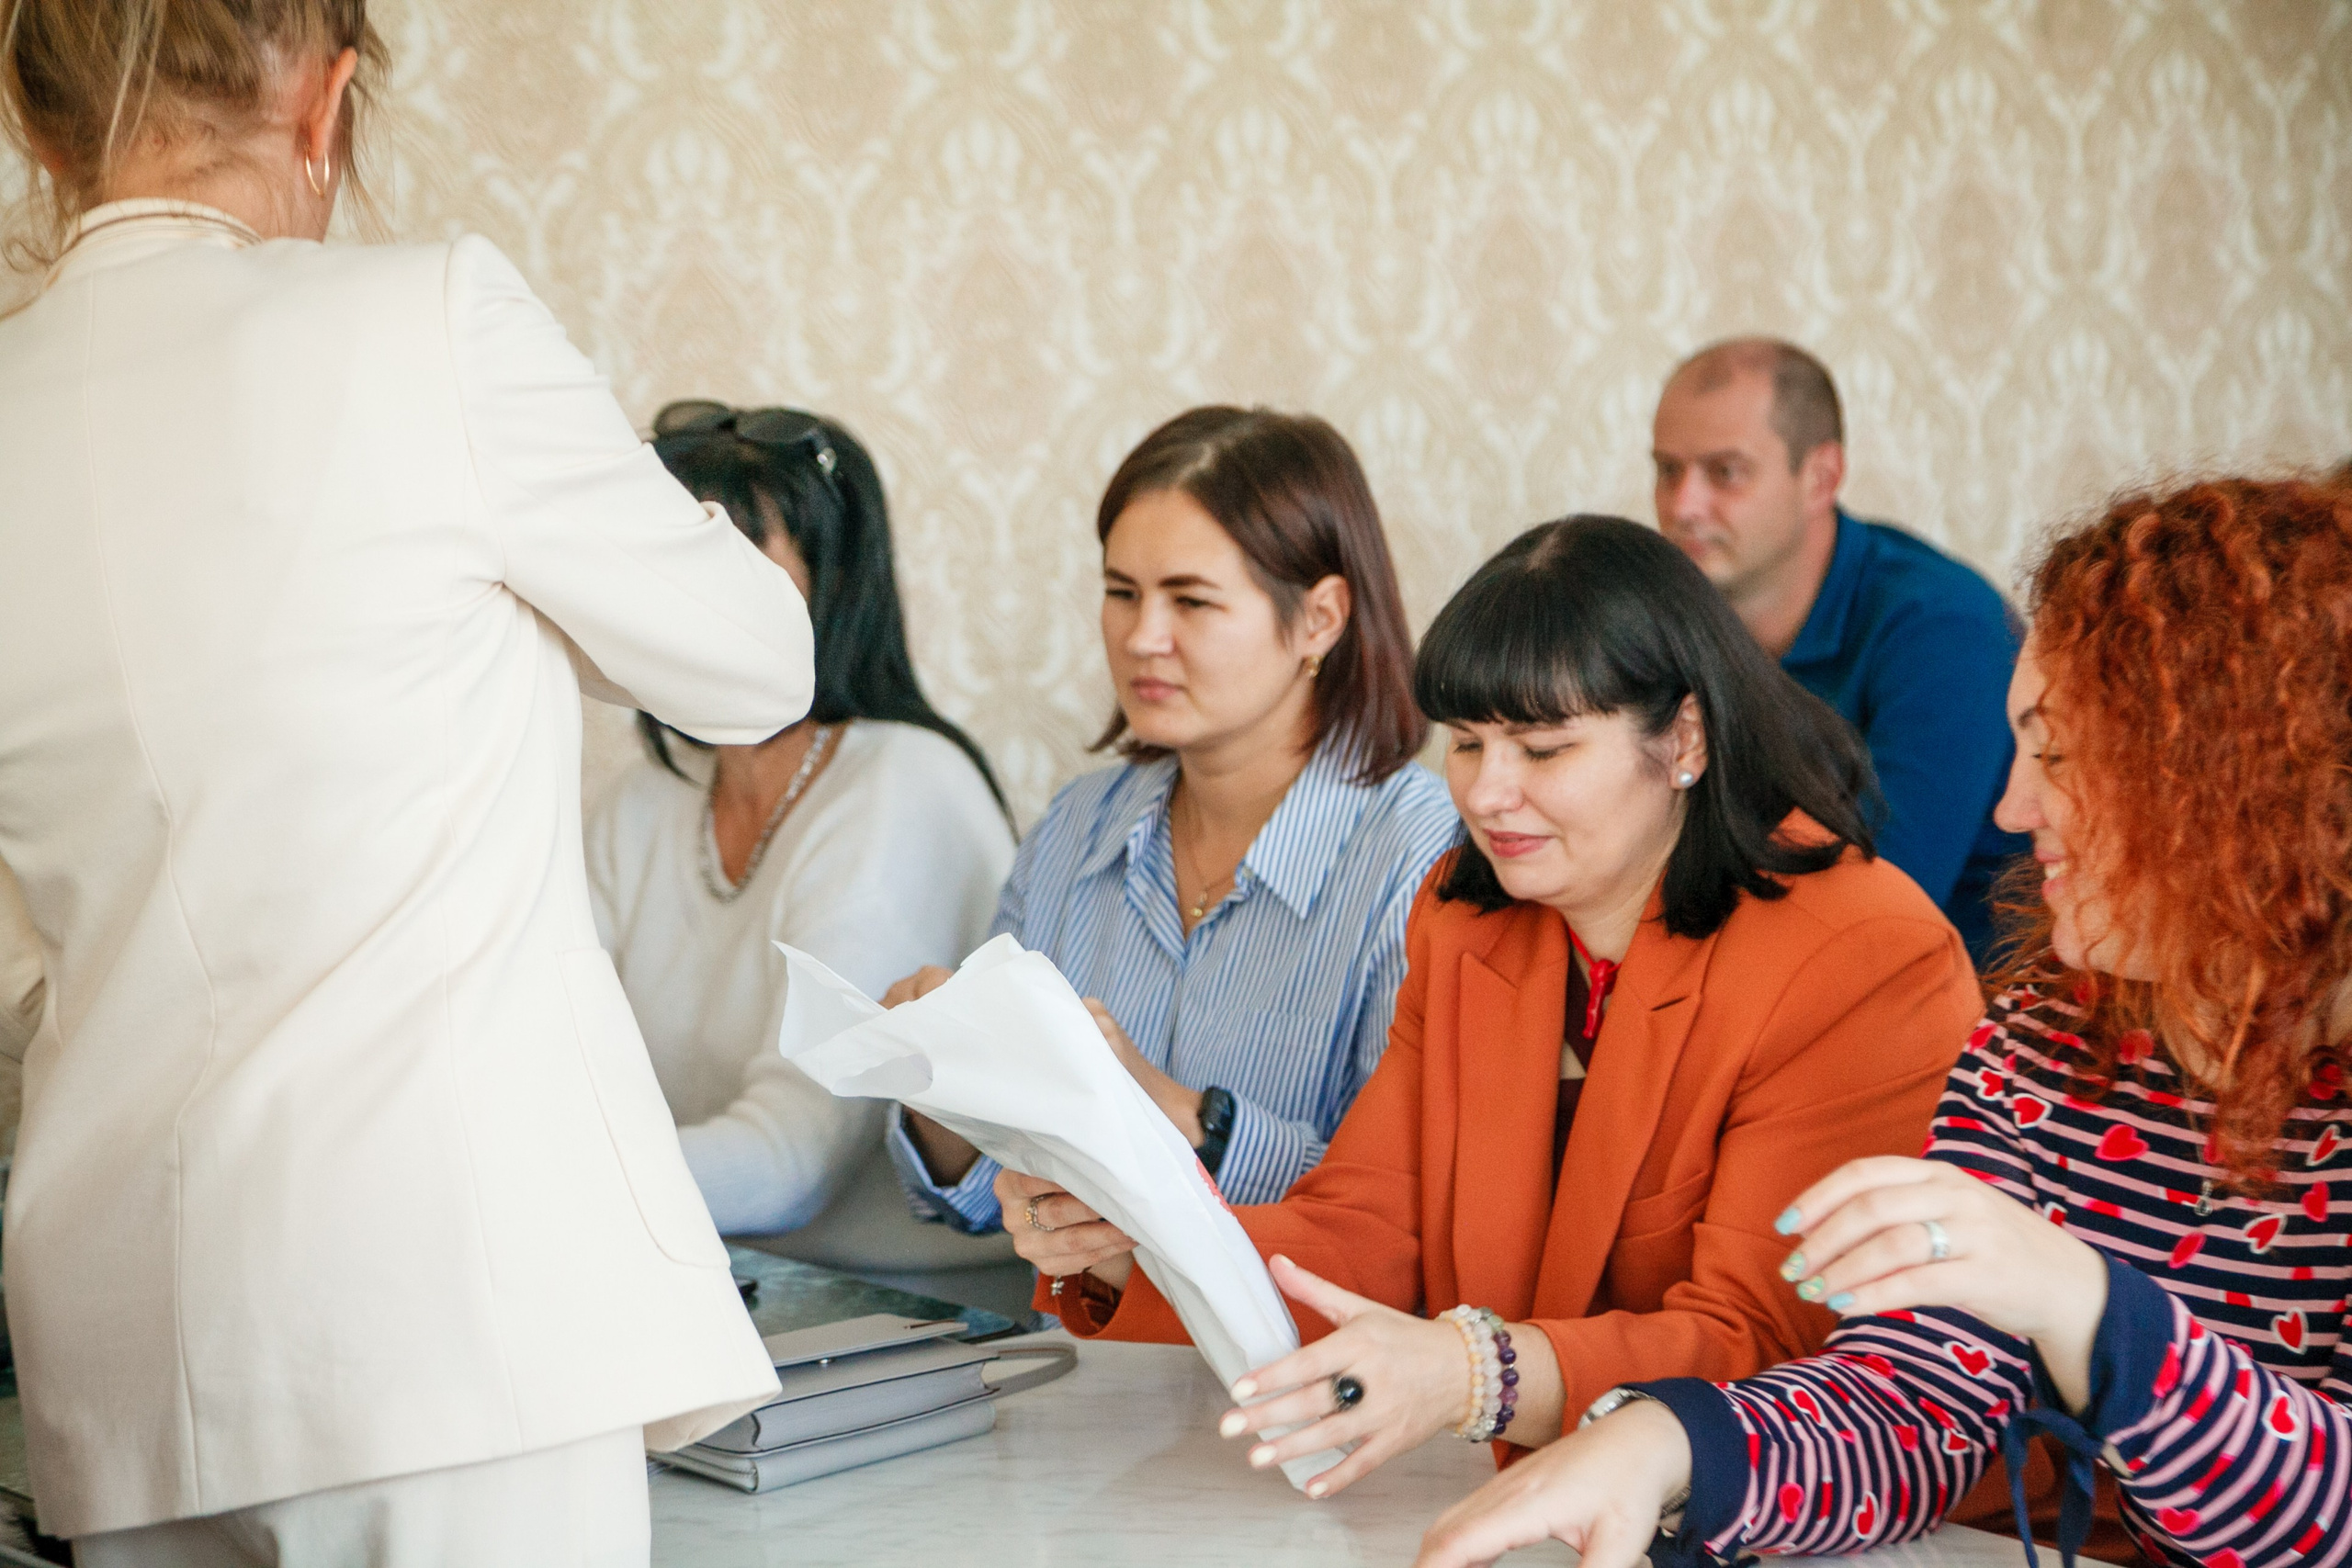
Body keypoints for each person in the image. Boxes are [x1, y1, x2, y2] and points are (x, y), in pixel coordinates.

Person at [0, 5, 810, 1562]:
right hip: (451, 1317)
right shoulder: (425, 318)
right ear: (326, 100)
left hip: (117, 1344)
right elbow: (757, 669)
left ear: (41, 131)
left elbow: (24, 955)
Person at [1415, 477, 2352, 1568]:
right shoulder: (2040, 1050)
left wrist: (2088, 1305)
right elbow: (1917, 1409)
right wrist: (1673, 1444)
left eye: (2057, 756)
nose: (2011, 810)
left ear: (2243, 780)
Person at [1001, 515, 1984, 1498]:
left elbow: (1766, 1343)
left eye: (1543, 749)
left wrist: (1481, 1374)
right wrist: (1135, 1245)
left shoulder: (1858, 954)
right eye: (1468, 744)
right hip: (1528, 1504)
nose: (1489, 793)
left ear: (1681, 738)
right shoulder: (1468, 918)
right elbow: (1368, 1231)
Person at [887, 406, 1460, 1229]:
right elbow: (980, 1201)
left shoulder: (1421, 853)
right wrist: (942, 1088)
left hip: (1312, 1352)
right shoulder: (1077, 824)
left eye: (1190, 601)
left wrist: (1169, 1108)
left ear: (1320, 618)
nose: (1142, 636)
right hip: (1079, 1341)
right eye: (1122, 593)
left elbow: (1401, 1210)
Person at [587, 402, 1023, 1307]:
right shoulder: (643, 800)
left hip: (914, 1319)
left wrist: (546, 1183)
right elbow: (549, 1053)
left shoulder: (904, 787)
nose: (683, 597)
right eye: (667, 558)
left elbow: (793, 1161)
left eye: (735, 565)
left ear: (833, 584)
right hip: (708, 1290)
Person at [1652, 338, 2027, 964]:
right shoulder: (1672, 616)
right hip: (1772, 980)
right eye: (1667, 470)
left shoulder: (1942, 625)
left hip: (1961, 1014)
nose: (1683, 505)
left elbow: (1882, 903)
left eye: (1726, 472)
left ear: (1821, 477)